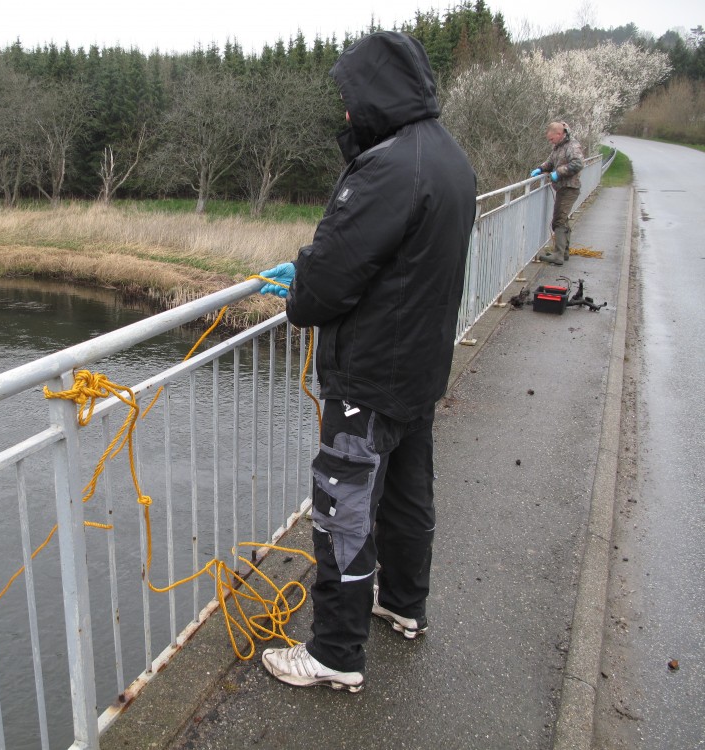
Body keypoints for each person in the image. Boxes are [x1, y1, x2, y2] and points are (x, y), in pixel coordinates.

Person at [256, 30, 477, 693]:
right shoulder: (449, 158)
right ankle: (404, 604)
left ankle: (335, 654)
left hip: (370, 378)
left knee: (342, 510)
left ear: (378, 93)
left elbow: (322, 290)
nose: (346, 112)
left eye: (351, 98)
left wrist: (301, 279)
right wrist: (312, 265)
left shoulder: (386, 168)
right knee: (407, 498)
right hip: (417, 369)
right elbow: (392, 259)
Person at [530, 121, 584, 265]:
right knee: (563, 219)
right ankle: (563, 252)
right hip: (562, 188)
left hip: (569, 187)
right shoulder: (558, 147)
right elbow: (550, 162)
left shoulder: (572, 146)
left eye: (552, 139)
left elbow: (578, 164)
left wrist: (558, 173)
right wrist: (541, 169)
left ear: (559, 134)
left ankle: (558, 255)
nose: (550, 141)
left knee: (559, 220)